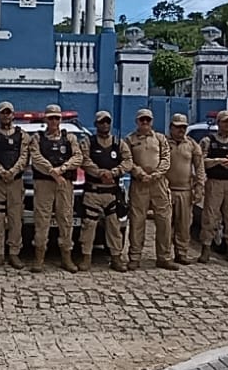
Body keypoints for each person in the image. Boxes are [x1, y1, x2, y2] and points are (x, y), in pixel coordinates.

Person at [29, 104, 81, 272]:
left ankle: (66, 257)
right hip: (44, 183)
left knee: (66, 220)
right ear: (46, 119)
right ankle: (39, 258)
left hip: (64, 184)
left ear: (60, 119)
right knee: (41, 220)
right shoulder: (37, 138)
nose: (53, 121)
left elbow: (78, 157)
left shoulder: (70, 138)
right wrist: (52, 171)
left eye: (56, 118)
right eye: (50, 117)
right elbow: (35, 157)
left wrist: (62, 169)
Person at [79, 110, 131, 272]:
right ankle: (86, 258)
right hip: (93, 192)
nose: (105, 125)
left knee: (115, 228)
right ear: (96, 124)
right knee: (88, 227)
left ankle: (116, 258)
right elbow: (84, 160)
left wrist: (113, 173)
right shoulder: (89, 142)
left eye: (107, 122)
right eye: (101, 122)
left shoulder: (118, 143)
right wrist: (100, 173)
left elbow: (128, 161)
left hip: (112, 193)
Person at [0, 101, 31, 269]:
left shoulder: (22, 135)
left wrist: (13, 172)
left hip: (16, 183)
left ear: (13, 115)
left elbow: (24, 156)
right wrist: (2, 172)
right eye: (3, 112)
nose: (6, 115)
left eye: (8, 112)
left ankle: (14, 254)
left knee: (16, 219)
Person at [126, 108, 175, 270]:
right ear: (137, 122)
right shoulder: (130, 139)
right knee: (137, 221)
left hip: (158, 184)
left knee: (164, 221)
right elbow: (127, 160)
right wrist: (139, 173)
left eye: (148, 120)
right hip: (139, 184)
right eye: (142, 120)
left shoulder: (160, 138)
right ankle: (134, 257)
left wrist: (155, 174)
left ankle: (164, 257)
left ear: (152, 121)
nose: (145, 123)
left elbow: (166, 159)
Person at [199, 110, 228, 264]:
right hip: (214, 182)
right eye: (225, 121)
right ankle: (205, 248)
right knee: (210, 217)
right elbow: (200, 162)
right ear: (218, 123)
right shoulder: (208, 141)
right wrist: (217, 161)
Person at [164, 113, 206, 264]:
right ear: (171, 127)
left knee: (184, 225)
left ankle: (181, 253)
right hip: (166, 190)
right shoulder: (163, 143)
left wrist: (200, 186)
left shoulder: (192, 145)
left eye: (183, 127)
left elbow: (199, 167)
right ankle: (165, 254)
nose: (180, 130)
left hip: (185, 191)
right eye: (177, 127)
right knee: (166, 225)